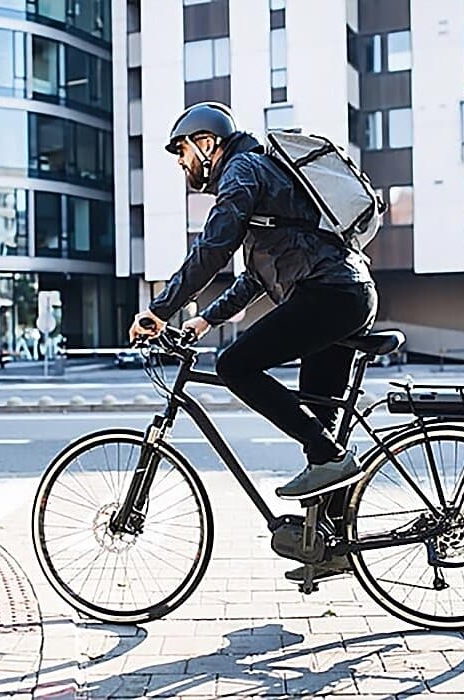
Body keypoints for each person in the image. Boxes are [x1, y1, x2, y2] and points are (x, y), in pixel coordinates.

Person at [128, 102, 377, 578]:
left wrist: (158, 310)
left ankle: (329, 460)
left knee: (234, 366)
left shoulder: (241, 171)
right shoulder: (260, 174)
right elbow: (255, 277)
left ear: (207, 143)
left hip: (329, 295)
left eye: (182, 151)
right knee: (321, 431)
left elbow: (212, 249)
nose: (182, 163)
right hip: (343, 293)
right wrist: (202, 321)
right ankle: (330, 548)